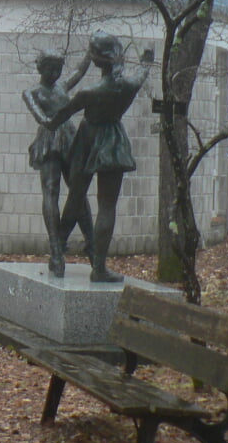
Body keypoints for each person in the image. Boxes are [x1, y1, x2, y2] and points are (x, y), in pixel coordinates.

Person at [47, 32, 152, 283]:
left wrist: (47, 123)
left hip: (87, 140)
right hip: (113, 141)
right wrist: (146, 60)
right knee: (107, 207)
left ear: (95, 60)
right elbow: (142, 72)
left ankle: (58, 249)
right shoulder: (129, 85)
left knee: (75, 197)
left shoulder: (89, 92)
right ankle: (99, 267)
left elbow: (61, 115)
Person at [22, 50, 94, 277]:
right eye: (50, 69)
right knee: (51, 190)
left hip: (70, 139)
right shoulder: (31, 92)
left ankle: (91, 243)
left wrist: (91, 52)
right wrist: (56, 118)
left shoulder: (62, 87)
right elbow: (40, 117)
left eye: (58, 69)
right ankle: (56, 247)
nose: (54, 73)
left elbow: (80, 71)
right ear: (40, 69)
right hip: (49, 139)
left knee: (78, 191)